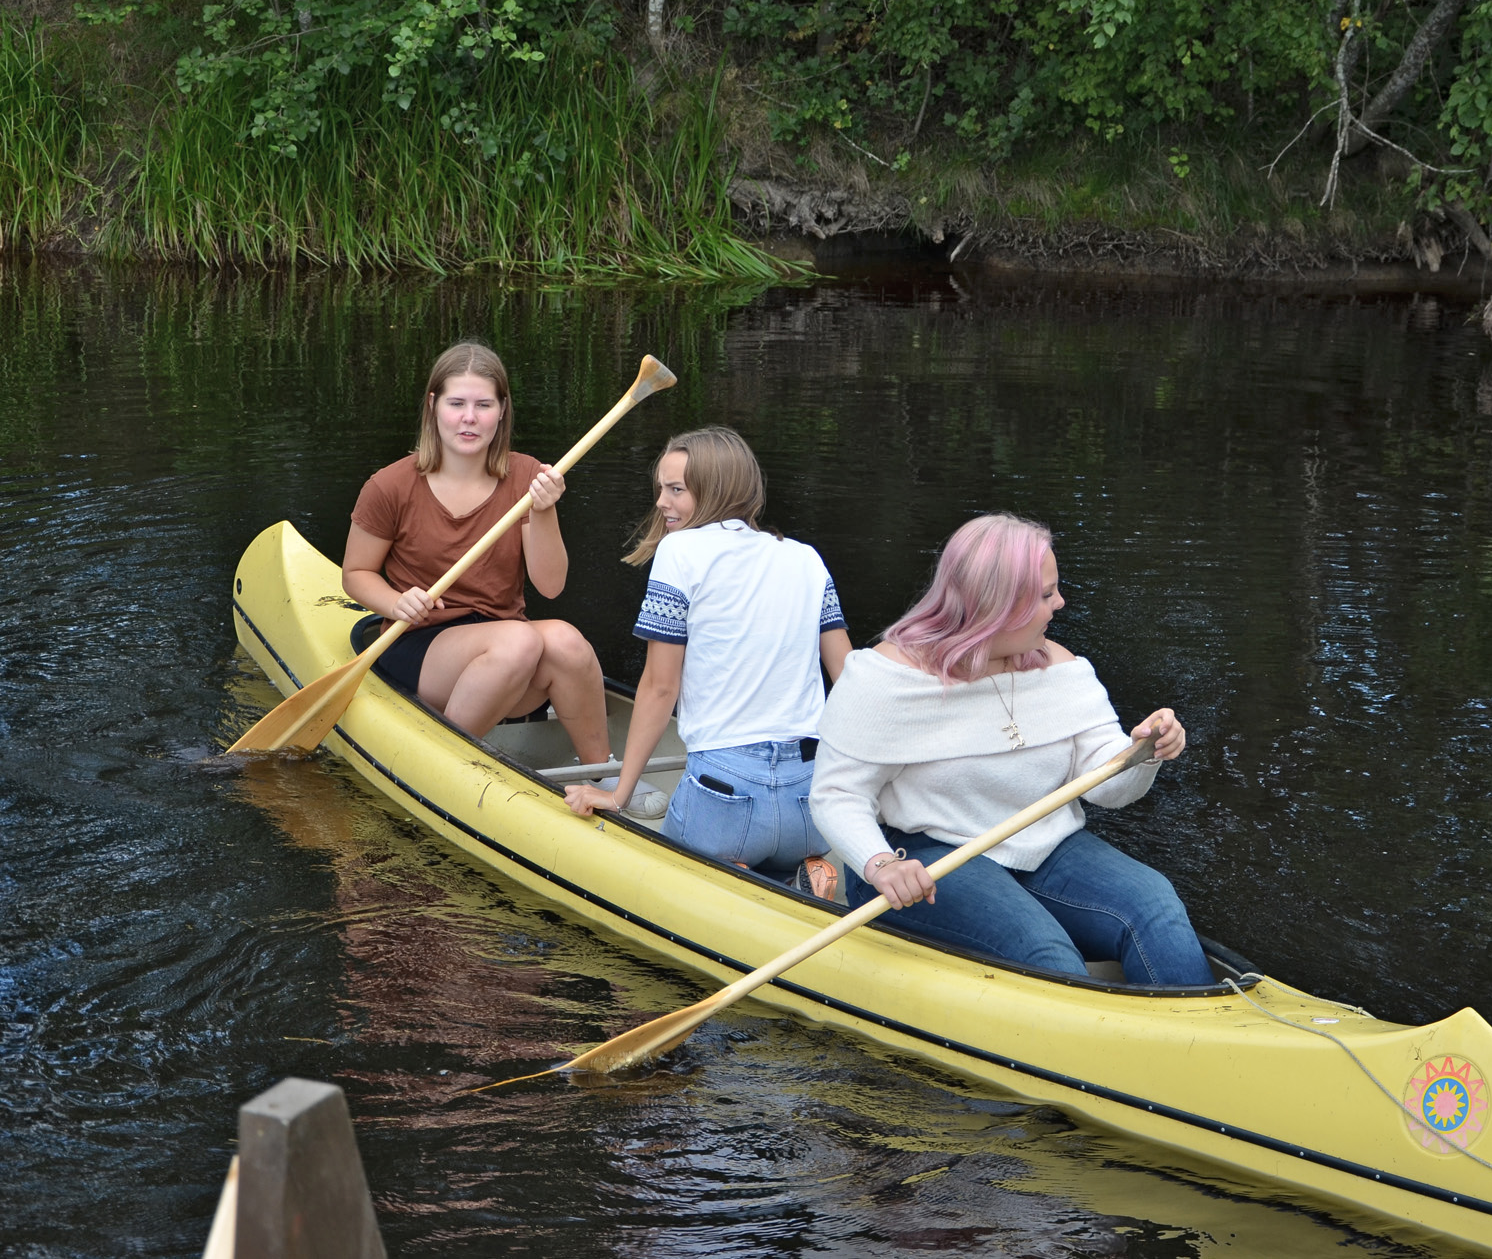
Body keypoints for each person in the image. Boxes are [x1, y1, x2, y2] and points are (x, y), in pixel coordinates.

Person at [809, 513, 1211, 986]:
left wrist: (1143, 752)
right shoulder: (883, 680)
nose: (1059, 604)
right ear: (995, 606)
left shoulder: (1061, 669)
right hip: (922, 857)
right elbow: (836, 795)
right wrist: (881, 865)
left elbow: (1108, 788)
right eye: (1045, 594)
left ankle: (1208, 1044)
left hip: (1045, 846)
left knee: (1155, 905)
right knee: (1045, 954)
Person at [565, 426, 853, 895]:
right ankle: (797, 872)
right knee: (781, 850)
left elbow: (661, 688)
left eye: (676, 490)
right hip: (810, 801)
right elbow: (849, 678)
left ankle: (734, 874)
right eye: (660, 488)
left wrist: (619, 794)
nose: (661, 502)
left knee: (665, 875)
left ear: (718, 490)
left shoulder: (680, 552)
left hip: (726, 800)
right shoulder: (806, 558)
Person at [342, 341, 612, 774]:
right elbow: (355, 574)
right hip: (419, 643)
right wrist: (395, 603)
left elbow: (551, 586)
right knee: (520, 640)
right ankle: (440, 769)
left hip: (504, 653)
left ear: (502, 410)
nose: (469, 417)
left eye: (484, 404)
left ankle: (603, 775)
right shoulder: (389, 486)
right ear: (433, 405)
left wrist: (542, 510)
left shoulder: (528, 477)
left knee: (567, 641)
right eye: (457, 403)